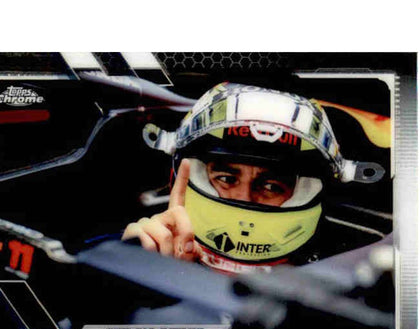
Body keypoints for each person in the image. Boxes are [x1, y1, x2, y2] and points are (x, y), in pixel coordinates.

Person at [122, 82, 386, 275]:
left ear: (307, 193)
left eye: (271, 186)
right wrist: (141, 270)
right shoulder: (148, 252)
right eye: (226, 178)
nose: (244, 198)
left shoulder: (354, 277)